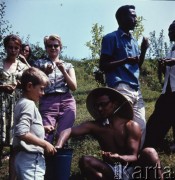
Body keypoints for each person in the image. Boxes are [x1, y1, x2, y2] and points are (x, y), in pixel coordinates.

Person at [55, 87, 163, 180]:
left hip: (133, 169)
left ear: (114, 104)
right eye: (97, 106)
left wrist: (119, 157)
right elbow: (68, 131)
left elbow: (134, 157)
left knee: (150, 152)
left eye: (103, 104)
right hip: (111, 170)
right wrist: (58, 146)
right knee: (85, 161)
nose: (100, 109)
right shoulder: (95, 126)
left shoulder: (130, 126)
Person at [99, 5, 149, 148]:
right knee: (122, 127)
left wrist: (144, 50)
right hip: (120, 86)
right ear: (121, 18)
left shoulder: (133, 41)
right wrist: (125, 60)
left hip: (135, 88)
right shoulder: (110, 38)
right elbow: (103, 65)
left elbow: (136, 65)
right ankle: (119, 160)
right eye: (132, 16)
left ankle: (135, 160)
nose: (135, 19)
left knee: (141, 126)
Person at [33, 34, 77, 179]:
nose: (53, 48)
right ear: (46, 48)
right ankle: (43, 172)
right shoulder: (39, 63)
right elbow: (34, 83)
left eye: (56, 45)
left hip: (66, 100)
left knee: (62, 136)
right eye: (50, 45)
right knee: (46, 136)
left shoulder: (68, 65)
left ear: (60, 48)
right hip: (48, 100)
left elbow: (74, 87)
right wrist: (44, 73)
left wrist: (63, 70)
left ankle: (60, 172)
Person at [13, 67, 57, 180]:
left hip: (22, 157)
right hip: (31, 159)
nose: (43, 93)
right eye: (41, 89)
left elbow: (25, 126)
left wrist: (42, 128)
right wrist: (45, 144)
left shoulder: (21, 102)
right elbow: (22, 132)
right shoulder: (29, 104)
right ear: (29, 86)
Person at [0, 34, 28, 179]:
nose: (13, 50)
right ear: (5, 47)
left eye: (16, 47)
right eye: (10, 47)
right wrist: (2, 87)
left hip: (16, 106)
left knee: (14, 147)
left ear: (19, 49)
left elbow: (33, 82)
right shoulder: (0, 63)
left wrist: (20, 85)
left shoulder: (23, 66)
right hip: (1, 106)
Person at [144, 20, 175, 151]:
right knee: (158, 116)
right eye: (168, 30)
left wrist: (172, 61)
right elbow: (168, 72)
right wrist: (163, 66)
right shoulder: (171, 49)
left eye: (172, 31)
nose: (169, 33)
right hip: (168, 90)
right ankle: (149, 143)